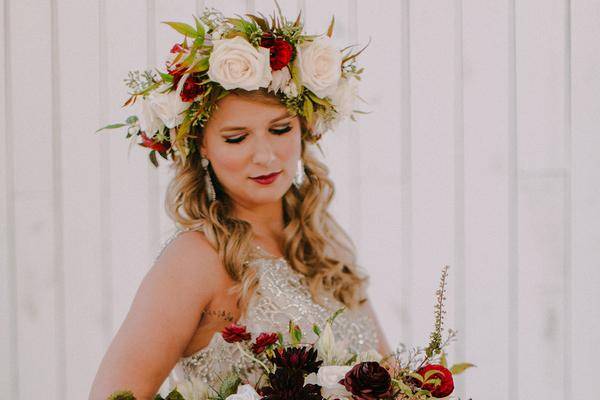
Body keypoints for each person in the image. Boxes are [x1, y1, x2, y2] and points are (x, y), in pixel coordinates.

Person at [89, 8, 390, 400]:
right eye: (236, 138)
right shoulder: (195, 260)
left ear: (304, 130)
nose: (265, 156)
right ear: (203, 147)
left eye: (280, 129)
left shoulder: (323, 246)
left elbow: (393, 377)